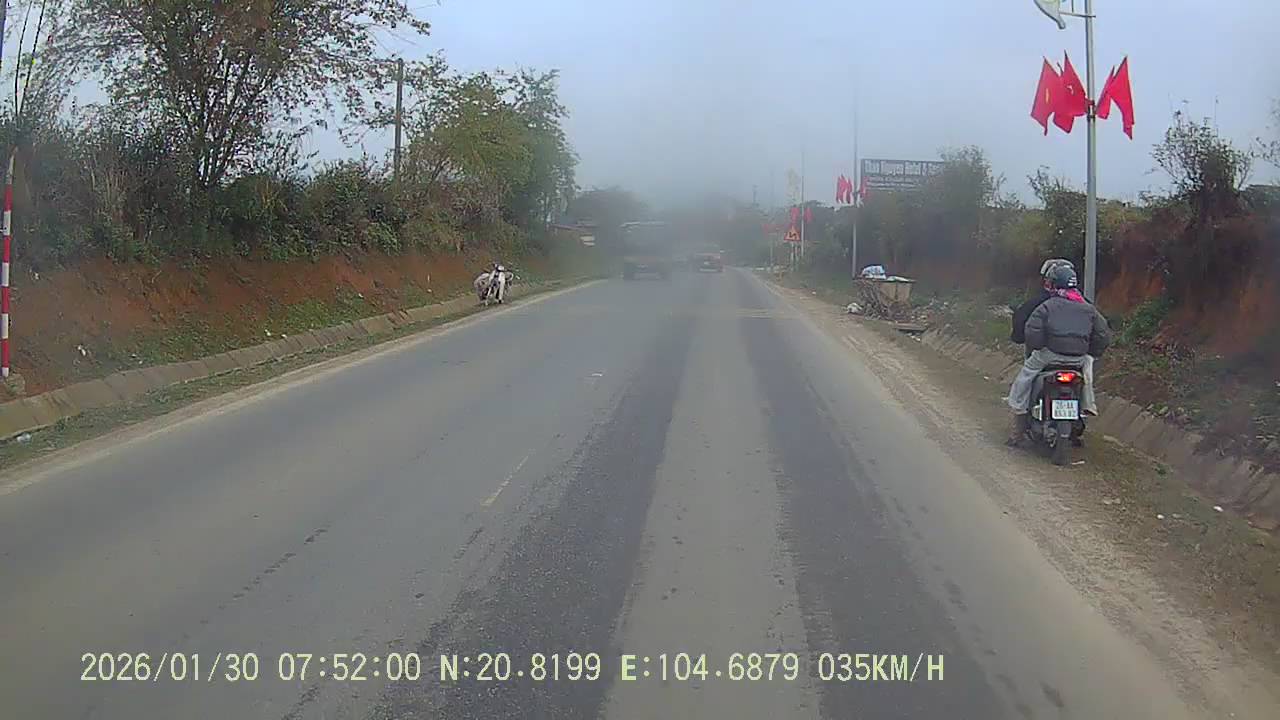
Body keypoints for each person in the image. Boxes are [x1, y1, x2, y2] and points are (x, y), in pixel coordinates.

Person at [1006, 264, 1111, 445]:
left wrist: (1039, 347)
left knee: (1025, 377)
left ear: (1054, 284)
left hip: (1050, 355)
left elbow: (1032, 330)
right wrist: (1091, 352)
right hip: (1078, 359)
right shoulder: (1088, 308)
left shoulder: (1047, 306)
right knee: (1087, 378)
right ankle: (1088, 406)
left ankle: (1019, 418)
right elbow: (1103, 335)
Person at [1010, 258, 1075, 356]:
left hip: (1045, 355)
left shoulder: (1036, 303)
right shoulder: (1084, 304)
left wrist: (1020, 338)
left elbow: (1019, 326)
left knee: (1030, 364)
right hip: (1078, 356)